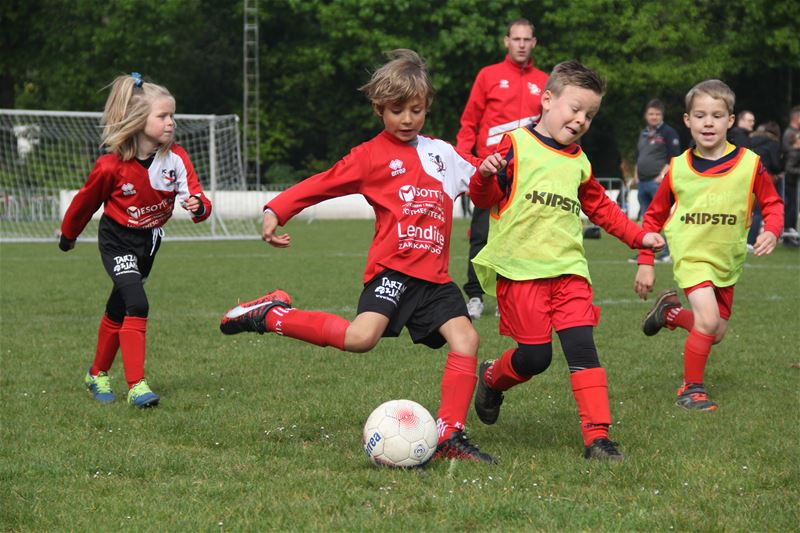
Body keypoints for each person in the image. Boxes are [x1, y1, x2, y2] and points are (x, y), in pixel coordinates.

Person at [219, 50, 499, 463]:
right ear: (378, 109)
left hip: (435, 280)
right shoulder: (370, 156)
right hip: (393, 272)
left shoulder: (443, 154)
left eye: (416, 110)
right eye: (397, 110)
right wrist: (277, 209)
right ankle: (270, 314)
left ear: (428, 107)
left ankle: (449, 437)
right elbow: (324, 183)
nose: (407, 119)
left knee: (467, 339)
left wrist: (490, 172)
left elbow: (481, 191)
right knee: (360, 338)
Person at [468, 60, 666, 461]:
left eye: (589, 115)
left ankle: (598, 438)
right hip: (521, 273)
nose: (581, 120)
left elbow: (602, 209)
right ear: (547, 99)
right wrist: (485, 176)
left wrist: (639, 236)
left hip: (569, 272)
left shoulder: (579, 161)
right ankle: (491, 377)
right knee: (535, 358)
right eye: (574, 108)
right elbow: (483, 200)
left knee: (582, 348)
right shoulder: (515, 146)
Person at [59, 73, 212, 407]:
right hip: (117, 239)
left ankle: (96, 373)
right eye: (163, 116)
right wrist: (68, 235)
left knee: (119, 305)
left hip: (150, 242)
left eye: (172, 116)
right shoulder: (111, 166)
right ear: (139, 121)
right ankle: (136, 386)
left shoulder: (177, 159)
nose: (171, 123)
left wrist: (199, 206)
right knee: (138, 303)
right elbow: (84, 203)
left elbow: (199, 200)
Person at [634, 79, 783, 411]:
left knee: (715, 331)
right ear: (687, 120)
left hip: (726, 261)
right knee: (707, 319)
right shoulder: (678, 168)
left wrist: (772, 230)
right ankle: (691, 389)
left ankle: (669, 313)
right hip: (692, 258)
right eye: (699, 115)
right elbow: (652, 218)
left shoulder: (750, 164)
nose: (708, 122)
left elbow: (772, 204)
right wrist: (646, 260)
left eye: (717, 115)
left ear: (730, 120)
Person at [456, 18, 549, 319]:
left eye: (527, 39)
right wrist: (466, 161)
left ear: (534, 43)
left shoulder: (545, 81)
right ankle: (475, 296)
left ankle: (511, 298)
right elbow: (469, 122)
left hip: (528, 172)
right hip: (491, 169)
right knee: (481, 235)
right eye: (516, 39)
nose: (522, 45)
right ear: (506, 41)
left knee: (522, 236)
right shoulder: (488, 76)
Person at [629, 99, 681, 263]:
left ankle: (667, 253)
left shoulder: (668, 132)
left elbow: (675, 157)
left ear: (662, 115)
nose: (654, 117)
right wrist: (636, 173)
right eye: (651, 113)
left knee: (663, 219)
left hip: (658, 183)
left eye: (657, 114)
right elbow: (638, 156)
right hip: (642, 182)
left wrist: (662, 176)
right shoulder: (643, 133)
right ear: (646, 115)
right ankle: (646, 252)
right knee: (646, 219)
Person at [748, 122, 784, 246]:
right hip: (765, 175)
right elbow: (775, 163)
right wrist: (779, 170)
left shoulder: (751, 139)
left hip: (747, 174)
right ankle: (751, 240)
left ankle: (745, 238)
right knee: (759, 210)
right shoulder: (773, 143)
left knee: (749, 209)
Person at [781, 105, 800, 247]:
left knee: (793, 206)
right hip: (790, 176)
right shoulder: (790, 133)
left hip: (794, 176)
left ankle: (791, 234)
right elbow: (789, 153)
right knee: (790, 206)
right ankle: (788, 236)